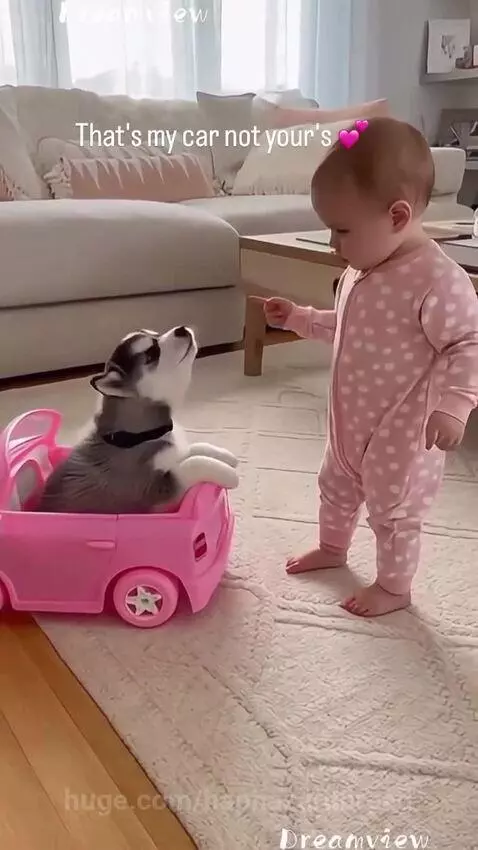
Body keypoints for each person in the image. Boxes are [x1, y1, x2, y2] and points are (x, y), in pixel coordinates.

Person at [264, 116, 478, 618]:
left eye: (342, 230)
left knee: (394, 511)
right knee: (334, 486)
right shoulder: (362, 269)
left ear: (397, 216)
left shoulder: (438, 280)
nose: (333, 244)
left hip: (402, 430)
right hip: (349, 421)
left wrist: (456, 404)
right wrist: (298, 318)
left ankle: (394, 587)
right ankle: (332, 548)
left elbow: (467, 343)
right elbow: (348, 326)